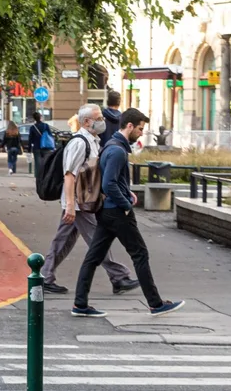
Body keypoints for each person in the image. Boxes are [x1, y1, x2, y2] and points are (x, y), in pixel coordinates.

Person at [73, 108, 184, 317]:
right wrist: (125, 204)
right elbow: (108, 184)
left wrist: (127, 192)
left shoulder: (111, 146)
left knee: (94, 257)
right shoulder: (117, 151)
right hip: (117, 212)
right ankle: (155, 303)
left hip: (106, 212)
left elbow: (112, 180)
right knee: (140, 254)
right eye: (140, 129)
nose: (142, 133)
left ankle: (80, 304)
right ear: (130, 126)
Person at [39, 103, 138, 296]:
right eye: (99, 118)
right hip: (79, 203)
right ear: (86, 122)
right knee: (98, 239)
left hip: (82, 202)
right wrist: (69, 205)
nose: (103, 121)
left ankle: (44, 276)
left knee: (63, 240)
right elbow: (69, 175)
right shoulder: (79, 143)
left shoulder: (93, 140)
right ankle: (119, 277)